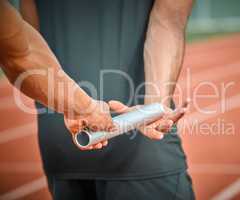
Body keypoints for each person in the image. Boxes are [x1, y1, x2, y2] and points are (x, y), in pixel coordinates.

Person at [0, 0, 195, 199]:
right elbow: (168, 20)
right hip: (141, 148)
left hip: (62, 134)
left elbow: (24, 48)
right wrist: (153, 109)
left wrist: (72, 105)